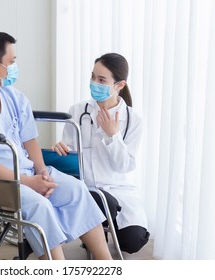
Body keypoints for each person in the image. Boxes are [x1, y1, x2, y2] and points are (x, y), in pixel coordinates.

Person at [0, 30, 112, 260]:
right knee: (39, 205)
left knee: (75, 190)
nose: (14, 67)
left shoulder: (13, 96)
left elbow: (29, 139)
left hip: (26, 172)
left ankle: (106, 264)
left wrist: (41, 172)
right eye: (11, 62)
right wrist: (29, 182)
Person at [53, 53, 150, 254]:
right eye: (93, 76)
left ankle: (96, 228)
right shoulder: (78, 111)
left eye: (102, 80)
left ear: (119, 85)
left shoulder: (134, 120)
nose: (94, 83)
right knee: (101, 201)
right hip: (86, 188)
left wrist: (112, 135)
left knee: (134, 241)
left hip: (119, 189)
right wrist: (61, 149)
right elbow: (70, 153)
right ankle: (93, 232)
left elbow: (125, 166)